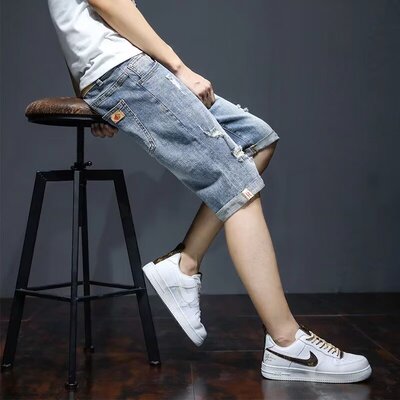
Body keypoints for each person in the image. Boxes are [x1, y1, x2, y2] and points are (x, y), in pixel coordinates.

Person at [47, 0, 372, 384]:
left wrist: (87, 88)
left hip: (118, 71)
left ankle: (184, 264)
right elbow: (108, 3)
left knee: (256, 140)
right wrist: (177, 67)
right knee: (238, 184)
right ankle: (287, 344)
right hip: (124, 72)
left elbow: (71, 20)